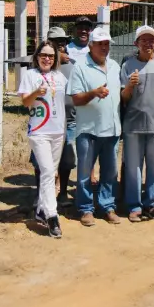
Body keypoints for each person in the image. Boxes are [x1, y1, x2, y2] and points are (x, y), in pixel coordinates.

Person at [67, 26, 122, 226]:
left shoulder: (115, 66)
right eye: (100, 44)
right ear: (90, 45)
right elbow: (76, 99)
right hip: (89, 130)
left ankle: (107, 206)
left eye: (107, 44)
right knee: (84, 173)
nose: (104, 47)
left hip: (112, 129)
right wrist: (93, 93)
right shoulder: (80, 67)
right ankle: (86, 209)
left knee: (109, 173)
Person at [120, 26, 154, 222]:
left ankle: (151, 204)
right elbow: (124, 98)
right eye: (143, 40)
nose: (148, 43)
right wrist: (130, 85)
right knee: (133, 167)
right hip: (133, 124)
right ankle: (134, 206)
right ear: (136, 43)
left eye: (151, 40)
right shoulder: (128, 66)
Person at [18, 41, 68, 238]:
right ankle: (52, 216)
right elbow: (24, 102)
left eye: (51, 56)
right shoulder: (30, 76)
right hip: (39, 131)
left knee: (51, 172)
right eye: (43, 55)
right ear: (36, 56)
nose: (47, 59)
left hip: (58, 131)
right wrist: (36, 93)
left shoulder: (60, 77)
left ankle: (40, 210)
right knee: (47, 171)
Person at [47, 27, 77, 207]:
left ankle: (63, 193)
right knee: (42, 160)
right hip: (46, 122)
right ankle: (44, 194)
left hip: (69, 120)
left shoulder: (72, 65)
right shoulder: (40, 64)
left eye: (63, 41)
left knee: (66, 160)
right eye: (56, 41)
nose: (61, 44)